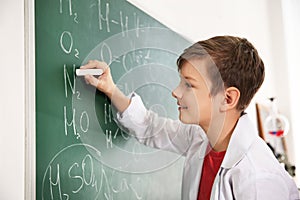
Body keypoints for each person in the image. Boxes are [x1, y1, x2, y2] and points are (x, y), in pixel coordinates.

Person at [81, 36, 299, 200]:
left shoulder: (259, 178)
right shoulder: (202, 138)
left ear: (228, 98)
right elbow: (149, 126)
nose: (175, 92)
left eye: (189, 84)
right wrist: (110, 89)